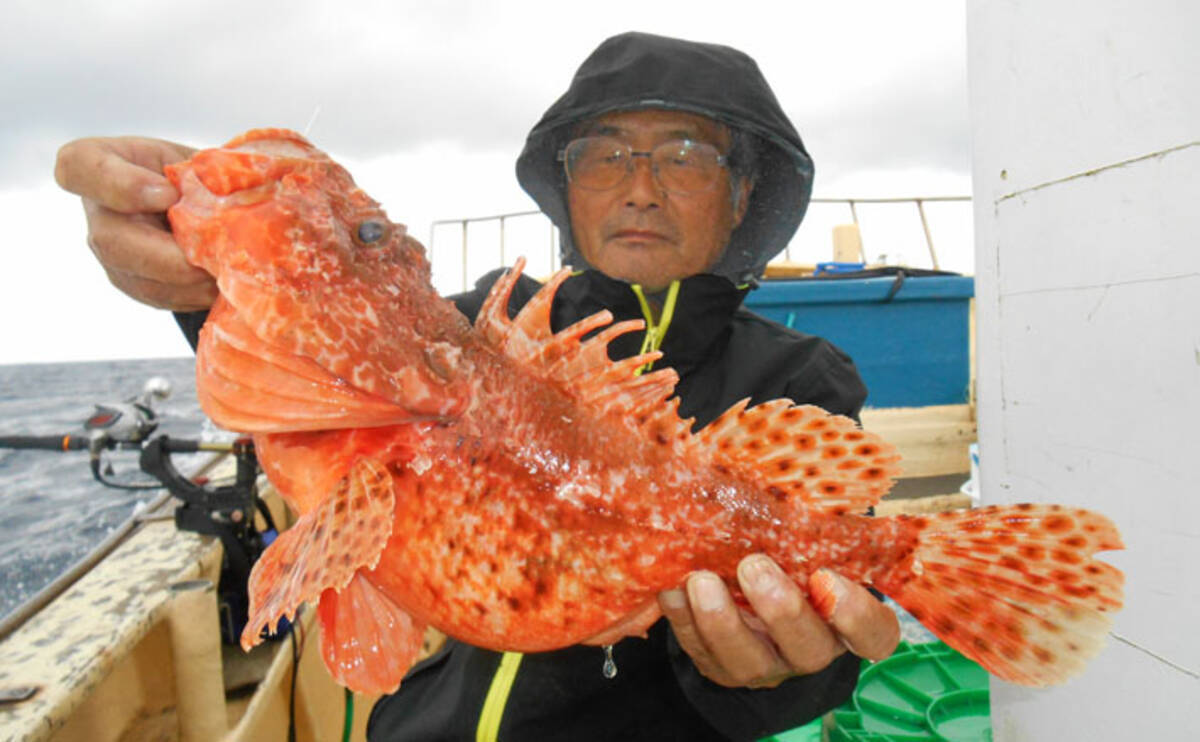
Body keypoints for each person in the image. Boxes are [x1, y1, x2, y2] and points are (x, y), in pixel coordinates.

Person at [56, 31, 900, 742]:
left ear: (742, 191)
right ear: (566, 187)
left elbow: (821, 645)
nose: (640, 186)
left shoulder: (800, 378)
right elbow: (333, 357)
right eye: (604, 154)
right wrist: (198, 266)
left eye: (684, 155)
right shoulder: (473, 338)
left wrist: (770, 675)